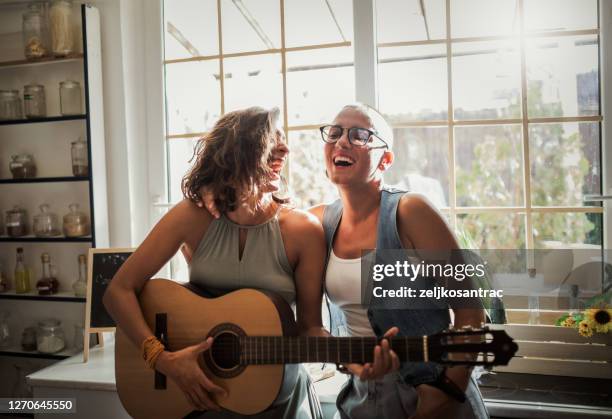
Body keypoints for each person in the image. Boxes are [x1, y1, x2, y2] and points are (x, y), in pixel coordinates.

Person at [203, 103, 489, 419]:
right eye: (335, 132)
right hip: (362, 397)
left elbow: (472, 310)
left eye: (360, 135)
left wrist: (448, 390)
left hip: (433, 394)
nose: (342, 141)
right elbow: (247, 221)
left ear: (386, 159)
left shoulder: (411, 213)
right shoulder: (317, 223)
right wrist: (208, 190)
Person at [103, 107, 327, 418]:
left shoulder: (303, 231)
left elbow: (309, 330)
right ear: (235, 155)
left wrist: (350, 354)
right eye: (272, 139)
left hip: (280, 403)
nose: (286, 149)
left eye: (285, 140)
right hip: (200, 402)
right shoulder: (193, 216)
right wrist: (162, 358)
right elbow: (118, 291)